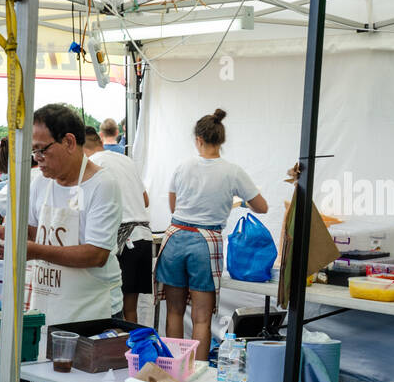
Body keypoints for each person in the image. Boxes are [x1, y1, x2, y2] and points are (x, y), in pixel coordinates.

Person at [0, 103, 123, 322]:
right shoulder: (40, 182)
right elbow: (35, 233)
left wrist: (34, 251)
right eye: (33, 151)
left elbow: (96, 254)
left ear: (69, 142)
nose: (37, 157)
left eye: (42, 149)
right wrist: (7, 234)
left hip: (92, 311)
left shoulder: (102, 184)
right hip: (48, 304)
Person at [156, 108, 267, 353]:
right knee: (202, 317)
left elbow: (174, 206)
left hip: (174, 237)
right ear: (221, 140)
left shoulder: (181, 167)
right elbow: (262, 207)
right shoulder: (233, 171)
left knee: (173, 311)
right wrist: (237, 200)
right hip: (205, 242)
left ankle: (174, 366)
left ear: (198, 140)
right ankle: (199, 372)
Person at [85, 128, 152, 324]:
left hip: (123, 240)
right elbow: (145, 200)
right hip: (143, 239)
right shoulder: (126, 160)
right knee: (130, 310)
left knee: (112, 308)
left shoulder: (94, 163)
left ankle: (119, 353)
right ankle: (134, 353)